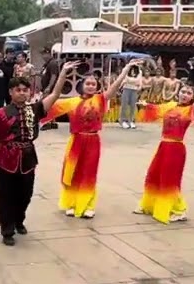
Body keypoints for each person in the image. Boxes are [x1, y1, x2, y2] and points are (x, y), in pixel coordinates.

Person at [0, 61, 78, 245]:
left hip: (28, 157)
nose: (22, 92)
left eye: (25, 90)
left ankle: (19, 220)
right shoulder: (1, 113)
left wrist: (63, 74)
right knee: (5, 196)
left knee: (25, 194)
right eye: (18, 90)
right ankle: (7, 230)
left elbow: (55, 94)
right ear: (11, 92)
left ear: (29, 92)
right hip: (5, 158)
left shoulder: (35, 109)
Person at [47, 59, 143, 218]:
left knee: (88, 173)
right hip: (76, 141)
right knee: (73, 172)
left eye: (94, 84)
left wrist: (126, 69)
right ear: (81, 86)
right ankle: (71, 203)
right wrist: (63, 72)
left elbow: (114, 87)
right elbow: (54, 95)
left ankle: (88, 205)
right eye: (88, 83)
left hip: (93, 142)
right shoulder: (72, 102)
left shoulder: (100, 99)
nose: (91, 86)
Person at [134, 78, 194, 223]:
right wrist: (146, 105)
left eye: (188, 93)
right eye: (183, 92)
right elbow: (157, 109)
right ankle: (149, 204)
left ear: (192, 97)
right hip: (163, 146)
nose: (185, 95)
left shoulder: (191, 109)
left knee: (170, 180)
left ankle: (179, 210)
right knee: (153, 174)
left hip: (176, 148)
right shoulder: (171, 105)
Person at [118, 63, 146, 129]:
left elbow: (139, 81)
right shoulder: (126, 69)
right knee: (124, 105)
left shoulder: (139, 71)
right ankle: (123, 120)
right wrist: (134, 81)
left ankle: (131, 120)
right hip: (126, 88)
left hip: (134, 90)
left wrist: (137, 84)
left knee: (133, 106)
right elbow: (126, 79)